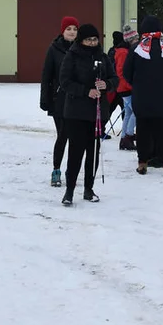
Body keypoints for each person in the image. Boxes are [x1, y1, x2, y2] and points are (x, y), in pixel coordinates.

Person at [58, 23, 116, 205]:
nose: (92, 43)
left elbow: (115, 78)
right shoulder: (72, 56)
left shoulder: (103, 57)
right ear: (80, 40)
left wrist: (107, 84)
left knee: (93, 152)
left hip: (98, 113)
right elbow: (65, 81)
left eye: (95, 39)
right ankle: (69, 190)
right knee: (76, 152)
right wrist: (85, 91)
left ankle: (89, 189)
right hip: (76, 111)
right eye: (88, 40)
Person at [122, 15, 163, 177]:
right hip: (162, 98)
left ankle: (142, 163)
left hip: (141, 98)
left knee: (142, 130)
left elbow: (126, 73)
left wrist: (138, 84)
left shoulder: (136, 49)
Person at [40, 16, 77, 187]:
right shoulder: (54, 49)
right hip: (59, 100)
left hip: (78, 99)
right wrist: (45, 98)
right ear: (63, 31)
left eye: (75, 29)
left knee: (75, 138)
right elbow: (46, 75)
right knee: (63, 135)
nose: (72, 32)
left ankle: (72, 172)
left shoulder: (81, 49)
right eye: (68, 29)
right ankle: (56, 170)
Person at [115, 25, 139, 150]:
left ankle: (124, 138)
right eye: (135, 39)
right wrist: (132, 85)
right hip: (126, 88)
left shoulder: (124, 51)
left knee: (129, 113)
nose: (137, 42)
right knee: (137, 111)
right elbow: (122, 72)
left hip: (125, 88)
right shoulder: (123, 52)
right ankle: (128, 137)